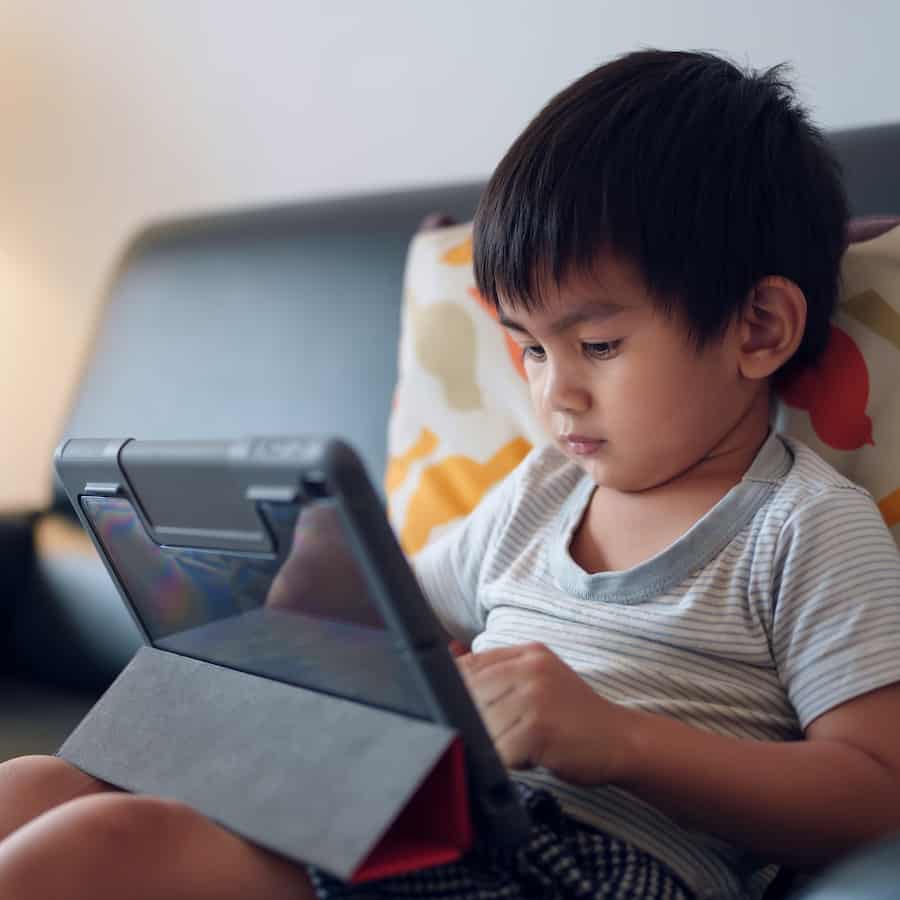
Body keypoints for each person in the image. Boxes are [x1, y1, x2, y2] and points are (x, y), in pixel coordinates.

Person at [1, 48, 899, 900]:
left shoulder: (806, 527)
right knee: (34, 786)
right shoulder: (537, 496)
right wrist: (312, 597)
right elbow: (399, 627)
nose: (558, 393)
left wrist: (621, 739)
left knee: (108, 851)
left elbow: (875, 789)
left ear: (759, 329)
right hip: (430, 815)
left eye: (597, 344)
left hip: (587, 862)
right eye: (529, 350)